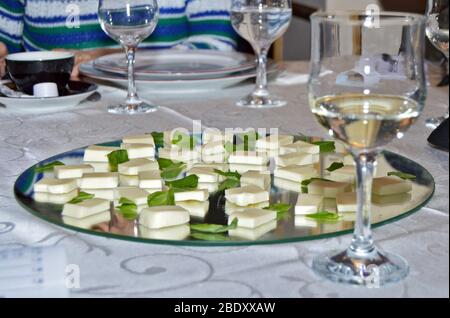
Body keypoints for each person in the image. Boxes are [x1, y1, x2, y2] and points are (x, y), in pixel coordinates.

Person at [0, 0, 237, 78]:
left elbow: (217, 47)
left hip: (170, 113)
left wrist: (103, 59)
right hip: (49, 116)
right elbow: (5, 49)